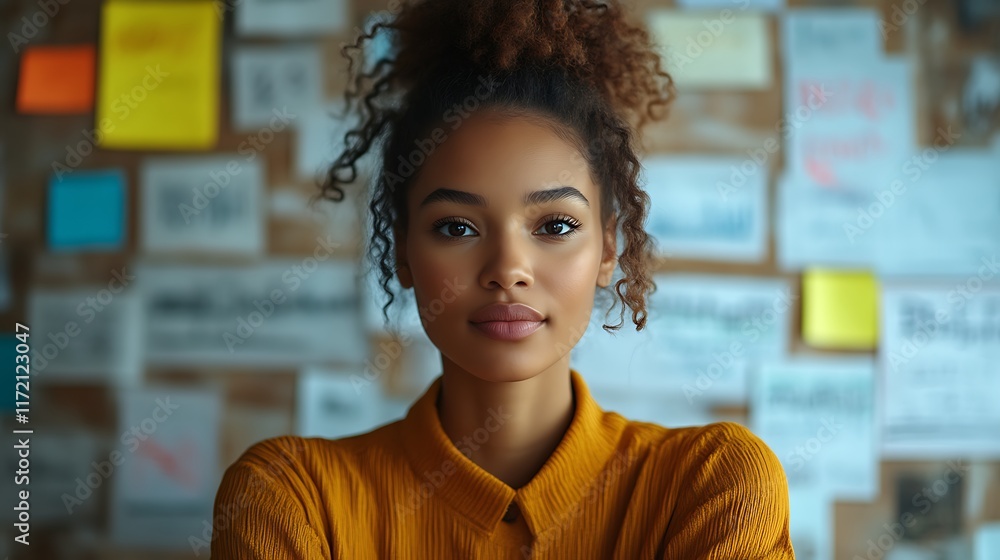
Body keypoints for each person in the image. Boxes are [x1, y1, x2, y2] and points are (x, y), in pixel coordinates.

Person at [211, 1, 795, 558]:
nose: (508, 269)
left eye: (556, 225)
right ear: (404, 251)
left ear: (608, 248)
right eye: (457, 227)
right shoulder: (292, 497)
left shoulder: (711, 485)